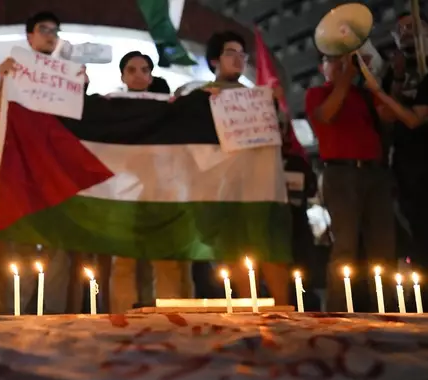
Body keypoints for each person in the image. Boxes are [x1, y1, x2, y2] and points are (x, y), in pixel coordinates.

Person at [0, 11, 96, 314]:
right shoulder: (13, 72)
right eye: (44, 29)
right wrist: (3, 82)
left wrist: (81, 88)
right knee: (23, 251)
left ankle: (55, 322)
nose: (51, 35)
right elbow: (0, 123)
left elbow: (79, 125)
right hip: (23, 175)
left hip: (58, 176)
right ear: (29, 36)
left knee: (59, 254)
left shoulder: (69, 75)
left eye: (55, 30)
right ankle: (15, 322)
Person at [202, 31, 292, 305]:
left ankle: (283, 308)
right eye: (231, 53)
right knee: (236, 246)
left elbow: (283, 135)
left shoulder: (258, 97)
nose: (238, 60)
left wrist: (276, 106)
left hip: (261, 185)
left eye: (242, 55)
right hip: (226, 186)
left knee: (270, 244)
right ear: (215, 59)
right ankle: (247, 305)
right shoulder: (201, 94)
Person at [305, 53, 396, 312]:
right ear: (321, 67)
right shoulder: (317, 94)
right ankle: (338, 309)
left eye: (345, 61)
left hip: (375, 173)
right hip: (340, 172)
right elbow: (326, 116)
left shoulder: (365, 94)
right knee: (344, 245)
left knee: (383, 246)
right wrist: (346, 78)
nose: (341, 66)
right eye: (333, 60)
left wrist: (378, 79)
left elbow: (389, 116)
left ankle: (387, 307)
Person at [109, 51, 193, 313]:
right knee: (123, 260)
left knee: (165, 258)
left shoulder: (166, 107)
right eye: (132, 70)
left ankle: (171, 316)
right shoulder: (110, 106)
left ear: (151, 75)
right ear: (122, 75)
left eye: (145, 70)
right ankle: (121, 316)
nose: (139, 75)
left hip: (160, 190)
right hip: (124, 191)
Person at [380, 12, 428, 272]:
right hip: (408, 166)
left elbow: (413, 119)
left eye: (413, 26)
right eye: (401, 29)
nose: (407, 32)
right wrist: (396, 78)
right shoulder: (394, 71)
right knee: (418, 231)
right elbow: (387, 115)